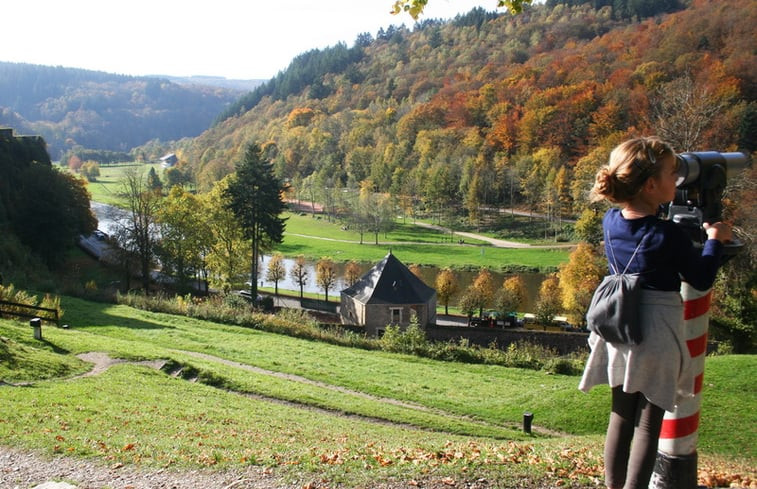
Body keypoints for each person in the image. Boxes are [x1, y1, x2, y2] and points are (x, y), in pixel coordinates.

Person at [578, 136, 732, 489]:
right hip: (656, 331)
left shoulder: (611, 221)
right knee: (649, 422)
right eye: (671, 174)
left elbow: (643, 233)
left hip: (619, 323)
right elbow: (701, 277)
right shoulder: (669, 235)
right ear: (650, 185)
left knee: (620, 413)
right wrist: (714, 240)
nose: (677, 181)